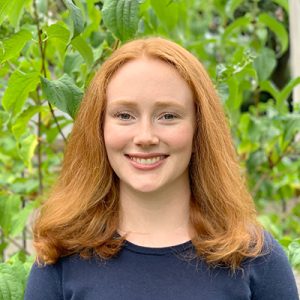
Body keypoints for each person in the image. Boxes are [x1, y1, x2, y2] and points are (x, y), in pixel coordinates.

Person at [25, 37, 299, 300]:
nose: (145, 137)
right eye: (124, 115)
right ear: (99, 129)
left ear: (198, 130)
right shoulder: (60, 258)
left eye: (168, 115)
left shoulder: (255, 258)